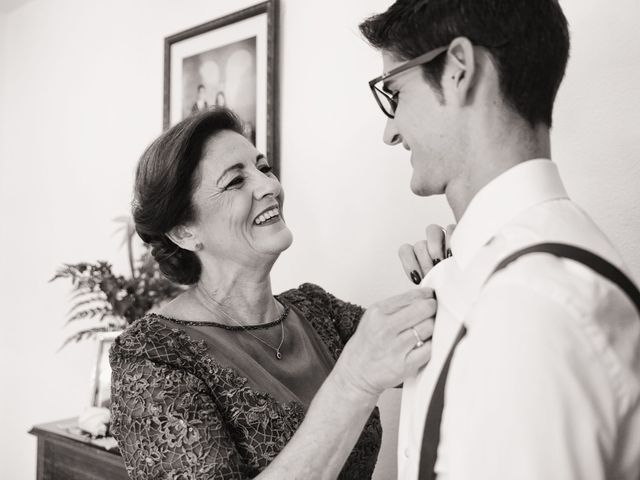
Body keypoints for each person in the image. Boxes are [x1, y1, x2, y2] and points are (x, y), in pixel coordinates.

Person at [359, 1, 640, 479]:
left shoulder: (528, 311)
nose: (389, 132)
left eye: (395, 91)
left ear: (459, 70)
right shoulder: (482, 280)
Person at [109, 107, 439, 479]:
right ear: (185, 231)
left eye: (263, 168)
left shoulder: (318, 312)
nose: (270, 187)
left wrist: (442, 279)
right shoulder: (153, 356)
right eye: (235, 182)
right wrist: (352, 384)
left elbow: (439, 353)